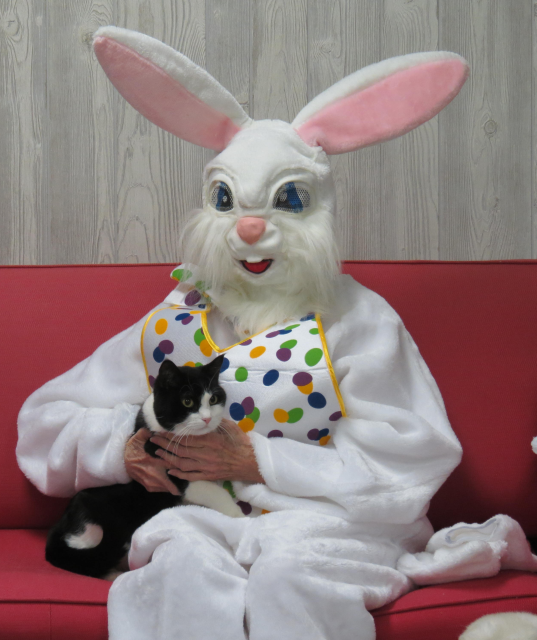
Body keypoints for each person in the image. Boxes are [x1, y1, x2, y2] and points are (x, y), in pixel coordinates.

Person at [17, 27, 469, 640]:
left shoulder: (359, 319)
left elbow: (412, 459)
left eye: (286, 201)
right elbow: (48, 421)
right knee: (180, 565)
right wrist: (126, 442)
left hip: (325, 526)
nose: (251, 228)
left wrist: (262, 460)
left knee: (289, 576)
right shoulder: (180, 316)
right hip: (201, 519)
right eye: (227, 201)